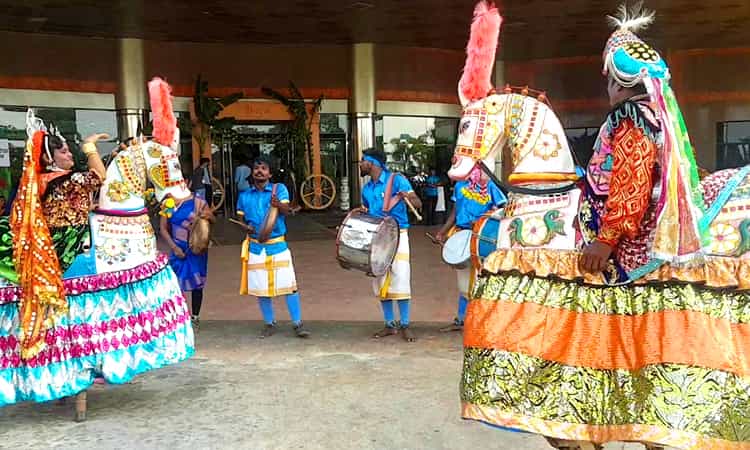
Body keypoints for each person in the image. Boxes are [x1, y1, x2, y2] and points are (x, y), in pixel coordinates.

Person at [235, 156, 310, 338]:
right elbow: (239, 219)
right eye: (256, 168)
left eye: (263, 168)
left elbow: (287, 212)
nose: (259, 171)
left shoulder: (279, 189)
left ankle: (297, 323)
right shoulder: (244, 195)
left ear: (270, 173)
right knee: (261, 288)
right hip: (256, 247)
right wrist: (245, 226)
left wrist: (279, 206)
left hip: (278, 246)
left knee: (289, 286)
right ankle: (269, 323)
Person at [359, 148, 422, 342]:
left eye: (363, 161)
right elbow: (368, 213)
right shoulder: (366, 189)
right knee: (380, 277)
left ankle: (405, 324)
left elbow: (417, 203)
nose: (360, 164)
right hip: (378, 237)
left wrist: (408, 197)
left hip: (398, 234)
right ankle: (389, 324)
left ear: (372, 163)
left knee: (401, 276)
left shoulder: (397, 180)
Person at [435, 168, 505, 332]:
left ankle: (481, 320)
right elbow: (455, 211)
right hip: (461, 233)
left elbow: (503, 209)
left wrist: (484, 220)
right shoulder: (460, 186)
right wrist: (443, 231)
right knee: (463, 280)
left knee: (483, 279)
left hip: (483, 237)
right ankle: (461, 319)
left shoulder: (490, 186)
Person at [160, 193, 214, 331]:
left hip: (196, 249)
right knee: (175, 284)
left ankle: (195, 317)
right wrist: (174, 248)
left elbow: (212, 219)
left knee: (197, 285)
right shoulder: (168, 203)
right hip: (177, 249)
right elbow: (163, 229)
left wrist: (206, 217)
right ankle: (180, 317)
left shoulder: (198, 201)